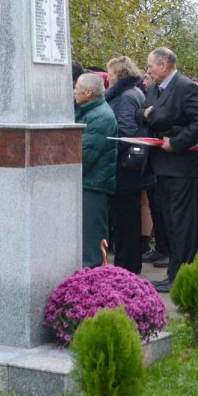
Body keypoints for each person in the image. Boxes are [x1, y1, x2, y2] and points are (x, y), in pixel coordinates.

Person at [138, 47, 198, 292]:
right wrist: (144, 114)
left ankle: (180, 276)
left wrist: (177, 143)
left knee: (182, 225)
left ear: (164, 64)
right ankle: (174, 273)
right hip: (162, 166)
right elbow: (147, 114)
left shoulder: (185, 86)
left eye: (150, 64)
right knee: (170, 223)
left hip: (184, 168)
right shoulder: (154, 88)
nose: (147, 69)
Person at [104, 55, 151, 274]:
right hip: (130, 167)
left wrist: (109, 151)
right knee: (128, 218)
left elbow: (125, 132)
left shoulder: (125, 96)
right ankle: (129, 264)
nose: (108, 78)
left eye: (111, 74)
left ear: (119, 75)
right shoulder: (134, 92)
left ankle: (126, 266)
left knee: (125, 219)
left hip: (124, 167)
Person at [75, 73, 117, 267]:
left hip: (94, 184)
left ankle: (95, 279)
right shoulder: (88, 110)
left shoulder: (101, 116)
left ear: (89, 92)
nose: (74, 90)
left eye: (77, 87)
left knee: (92, 238)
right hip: (88, 182)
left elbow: (83, 155)